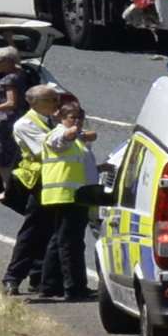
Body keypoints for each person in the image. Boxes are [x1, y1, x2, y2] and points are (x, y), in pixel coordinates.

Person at [1, 85, 62, 295]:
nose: (56, 104)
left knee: (53, 231)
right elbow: (46, 149)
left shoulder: (55, 120)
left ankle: (41, 278)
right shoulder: (25, 124)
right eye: (51, 100)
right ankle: (13, 277)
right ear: (34, 103)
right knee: (33, 230)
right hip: (40, 182)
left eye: (56, 99)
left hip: (59, 181)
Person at [38, 101, 97, 300]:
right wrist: (75, 131)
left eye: (80, 117)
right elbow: (62, 139)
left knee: (60, 241)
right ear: (61, 118)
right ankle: (74, 287)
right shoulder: (57, 133)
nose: (77, 121)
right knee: (70, 244)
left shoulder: (79, 141)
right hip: (65, 195)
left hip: (77, 196)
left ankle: (50, 285)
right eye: (72, 117)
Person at [0, 46, 33, 207]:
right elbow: (15, 57)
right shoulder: (21, 73)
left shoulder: (9, 80)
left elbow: (11, 103)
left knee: (1, 157)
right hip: (22, 118)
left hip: (8, 121)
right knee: (18, 155)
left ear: (8, 62)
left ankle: (7, 190)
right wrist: (9, 40)